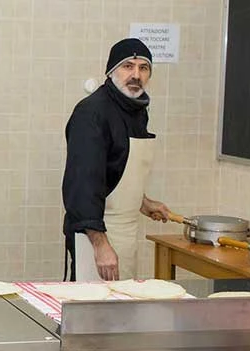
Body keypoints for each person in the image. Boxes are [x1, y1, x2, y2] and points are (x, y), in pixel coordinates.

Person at [62, 38, 171, 282]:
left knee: (123, 301)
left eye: (143, 68)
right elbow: (83, 184)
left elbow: (115, 169)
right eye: (128, 66)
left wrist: (142, 202)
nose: (136, 75)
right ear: (111, 72)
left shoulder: (136, 110)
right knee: (94, 303)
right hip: (95, 235)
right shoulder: (92, 113)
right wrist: (100, 244)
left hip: (126, 233)